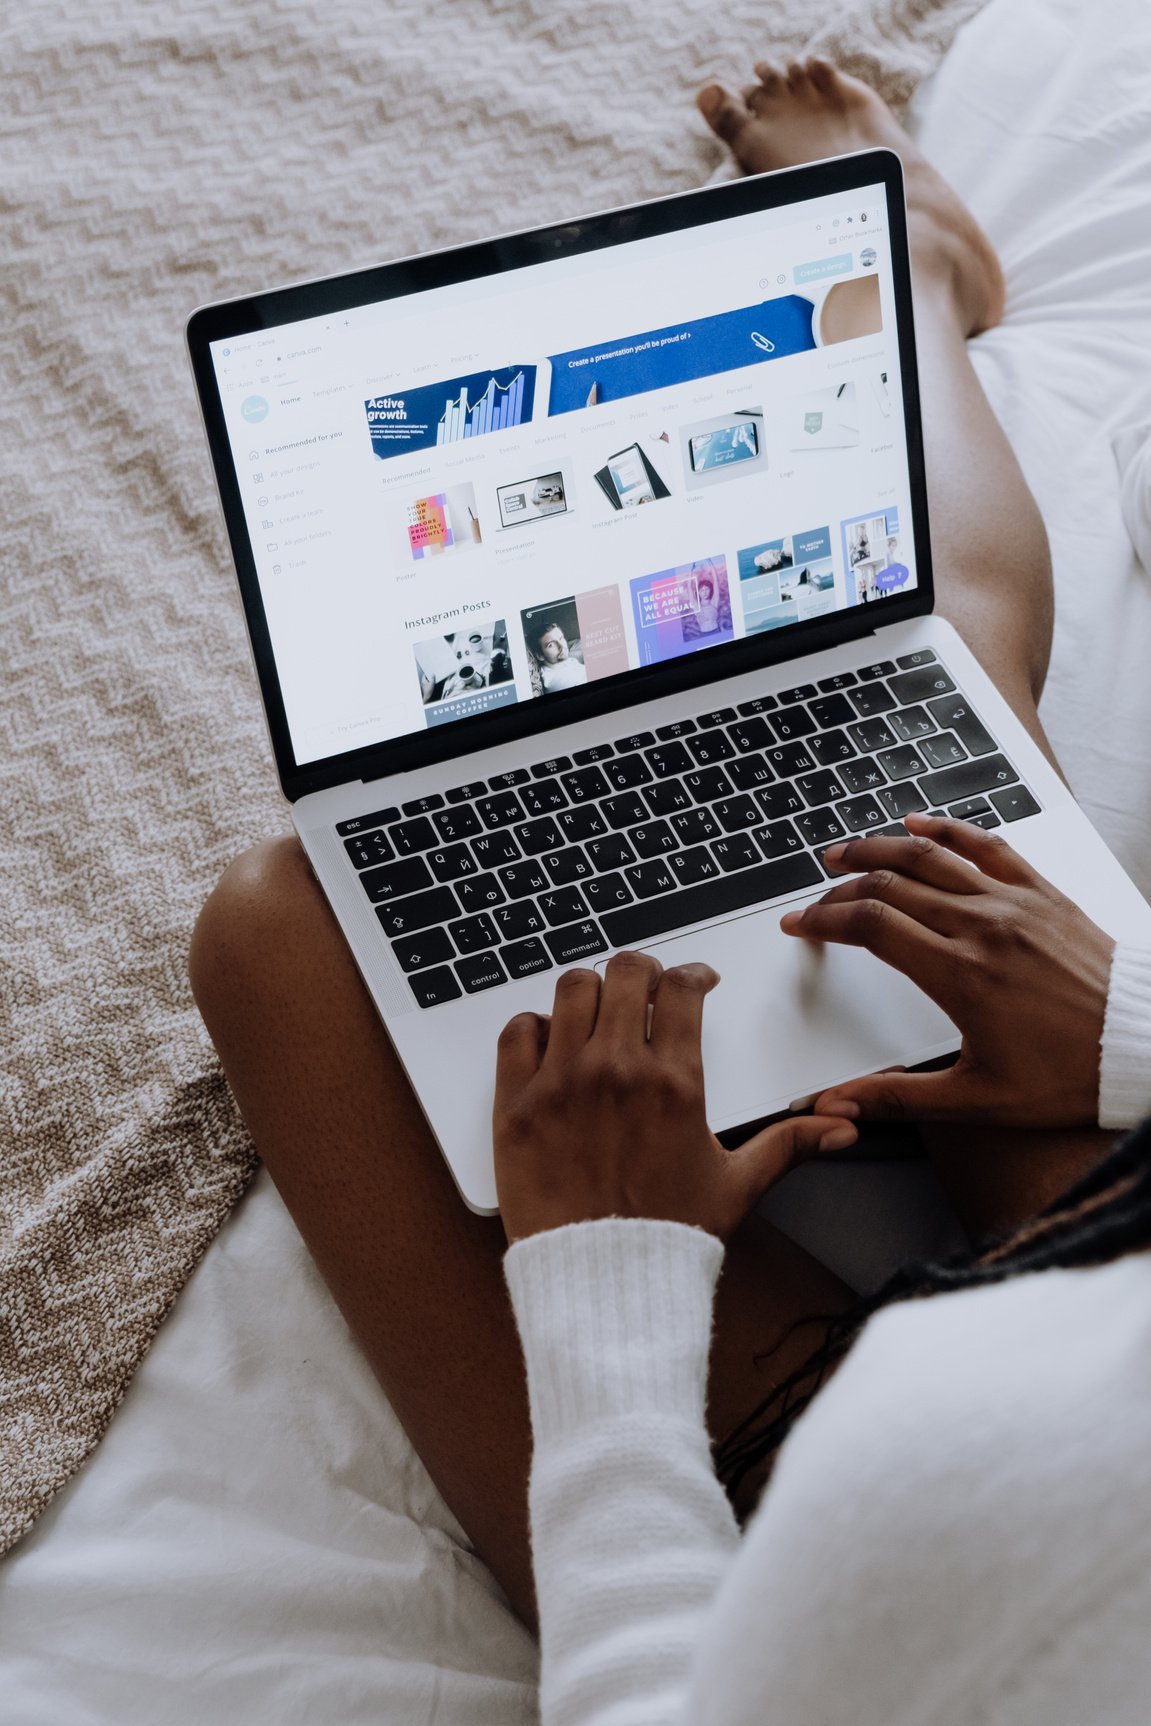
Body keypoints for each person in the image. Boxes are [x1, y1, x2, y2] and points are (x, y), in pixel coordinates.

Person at [189, 55, 1151, 1722]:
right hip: (1108, 1280)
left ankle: (905, 259)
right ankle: (907, 257)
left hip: (853, 1534)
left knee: (278, 922)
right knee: (942, 690)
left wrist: (608, 1268)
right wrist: (1128, 1025)